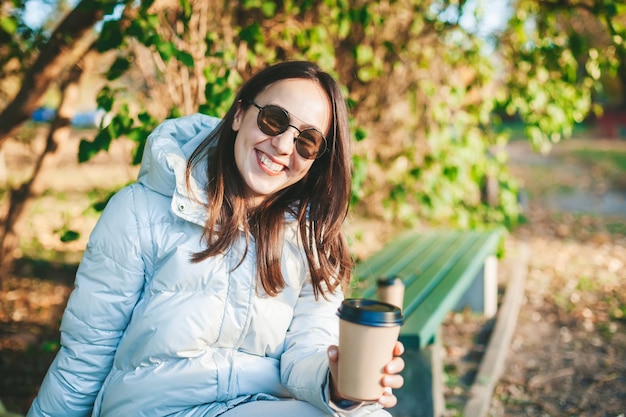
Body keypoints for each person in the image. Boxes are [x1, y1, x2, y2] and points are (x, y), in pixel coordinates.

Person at [27, 61, 405, 417]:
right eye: (274, 120)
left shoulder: (310, 240)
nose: (284, 146)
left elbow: (306, 351)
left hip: (256, 404)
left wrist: (336, 381)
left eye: (307, 141)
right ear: (239, 114)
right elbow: (86, 355)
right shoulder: (140, 211)